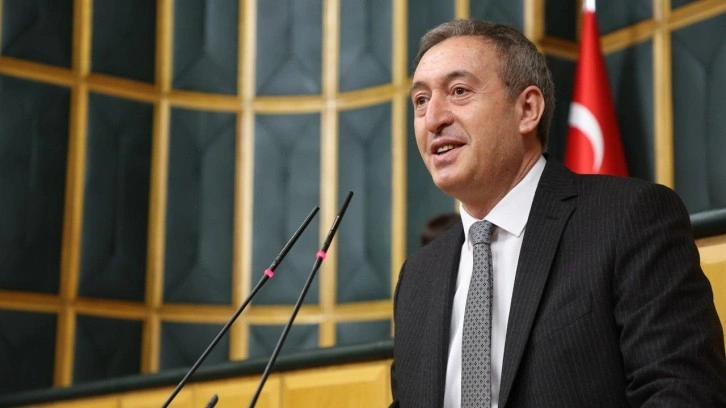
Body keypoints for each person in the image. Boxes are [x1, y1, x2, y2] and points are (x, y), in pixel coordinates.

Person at [390, 18, 726, 407]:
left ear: (527, 109)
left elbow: (682, 390)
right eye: (421, 101)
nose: (433, 119)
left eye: (459, 91)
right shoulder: (418, 277)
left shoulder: (628, 219)